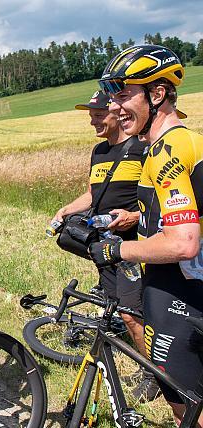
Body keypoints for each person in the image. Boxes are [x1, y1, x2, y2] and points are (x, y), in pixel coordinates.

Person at [89, 45, 203, 428]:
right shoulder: (190, 142)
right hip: (189, 293)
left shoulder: (167, 150)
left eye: (123, 95)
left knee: (190, 422)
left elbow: (183, 242)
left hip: (179, 299)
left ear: (157, 95)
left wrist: (117, 249)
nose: (115, 107)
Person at [52, 90, 155, 400]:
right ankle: (142, 351)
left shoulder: (141, 148)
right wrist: (66, 210)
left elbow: (157, 200)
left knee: (130, 312)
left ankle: (153, 372)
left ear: (118, 114)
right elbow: (93, 194)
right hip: (103, 244)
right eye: (90, 114)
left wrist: (134, 217)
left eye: (99, 114)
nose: (92, 119)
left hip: (132, 245)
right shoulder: (99, 152)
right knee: (116, 302)